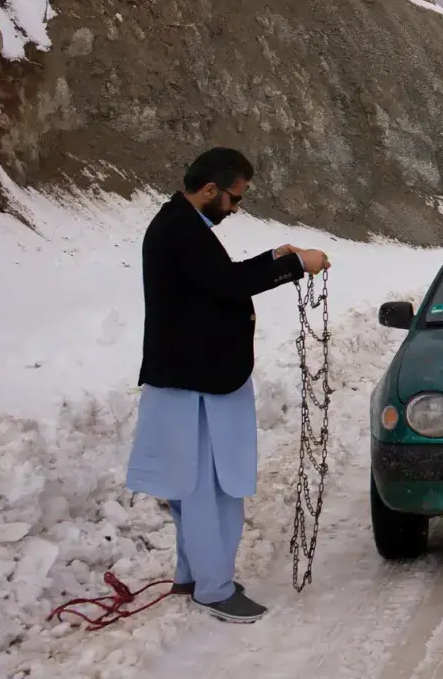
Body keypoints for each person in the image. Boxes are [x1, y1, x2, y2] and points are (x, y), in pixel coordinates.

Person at [125, 148, 329, 623]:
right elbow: (228, 285)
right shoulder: (179, 229)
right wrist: (296, 266)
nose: (235, 209)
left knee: (192, 484)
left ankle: (191, 575)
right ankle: (213, 589)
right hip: (198, 383)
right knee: (207, 488)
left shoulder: (181, 225)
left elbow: (217, 280)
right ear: (211, 189)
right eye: (233, 199)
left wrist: (276, 256)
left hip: (192, 379)